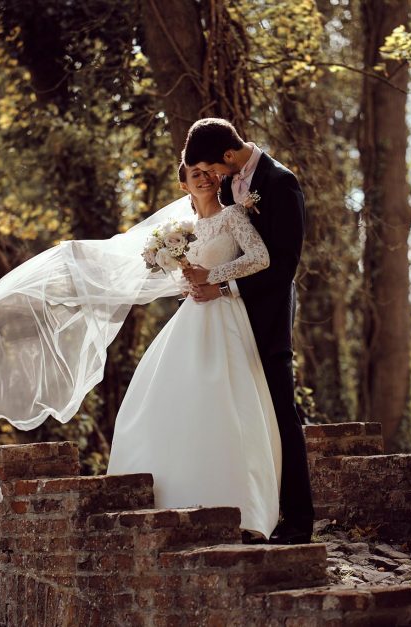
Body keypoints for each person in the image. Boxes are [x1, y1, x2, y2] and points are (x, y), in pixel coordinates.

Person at [106, 162, 281, 540]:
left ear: (218, 177)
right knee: (166, 400)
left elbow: (260, 258)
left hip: (225, 315)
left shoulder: (234, 215)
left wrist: (214, 280)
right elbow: (187, 278)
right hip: (191, 316)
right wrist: (188, 281)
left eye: (207, 171)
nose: (202, 177)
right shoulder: (180, 232)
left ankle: (241, 506)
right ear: (182, 184)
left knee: (225, 402)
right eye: (193, 173)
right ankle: (176, 496)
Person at [181, 118, 315, 544]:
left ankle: (298, 520)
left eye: (210, 168)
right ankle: (253, 505)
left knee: (281, 416)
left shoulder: (280, 182)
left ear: (225, 156)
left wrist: (222, 283)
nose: (210, 178)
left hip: (267, 320)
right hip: (226, 324)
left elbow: (284, 264)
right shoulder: (234, 186)